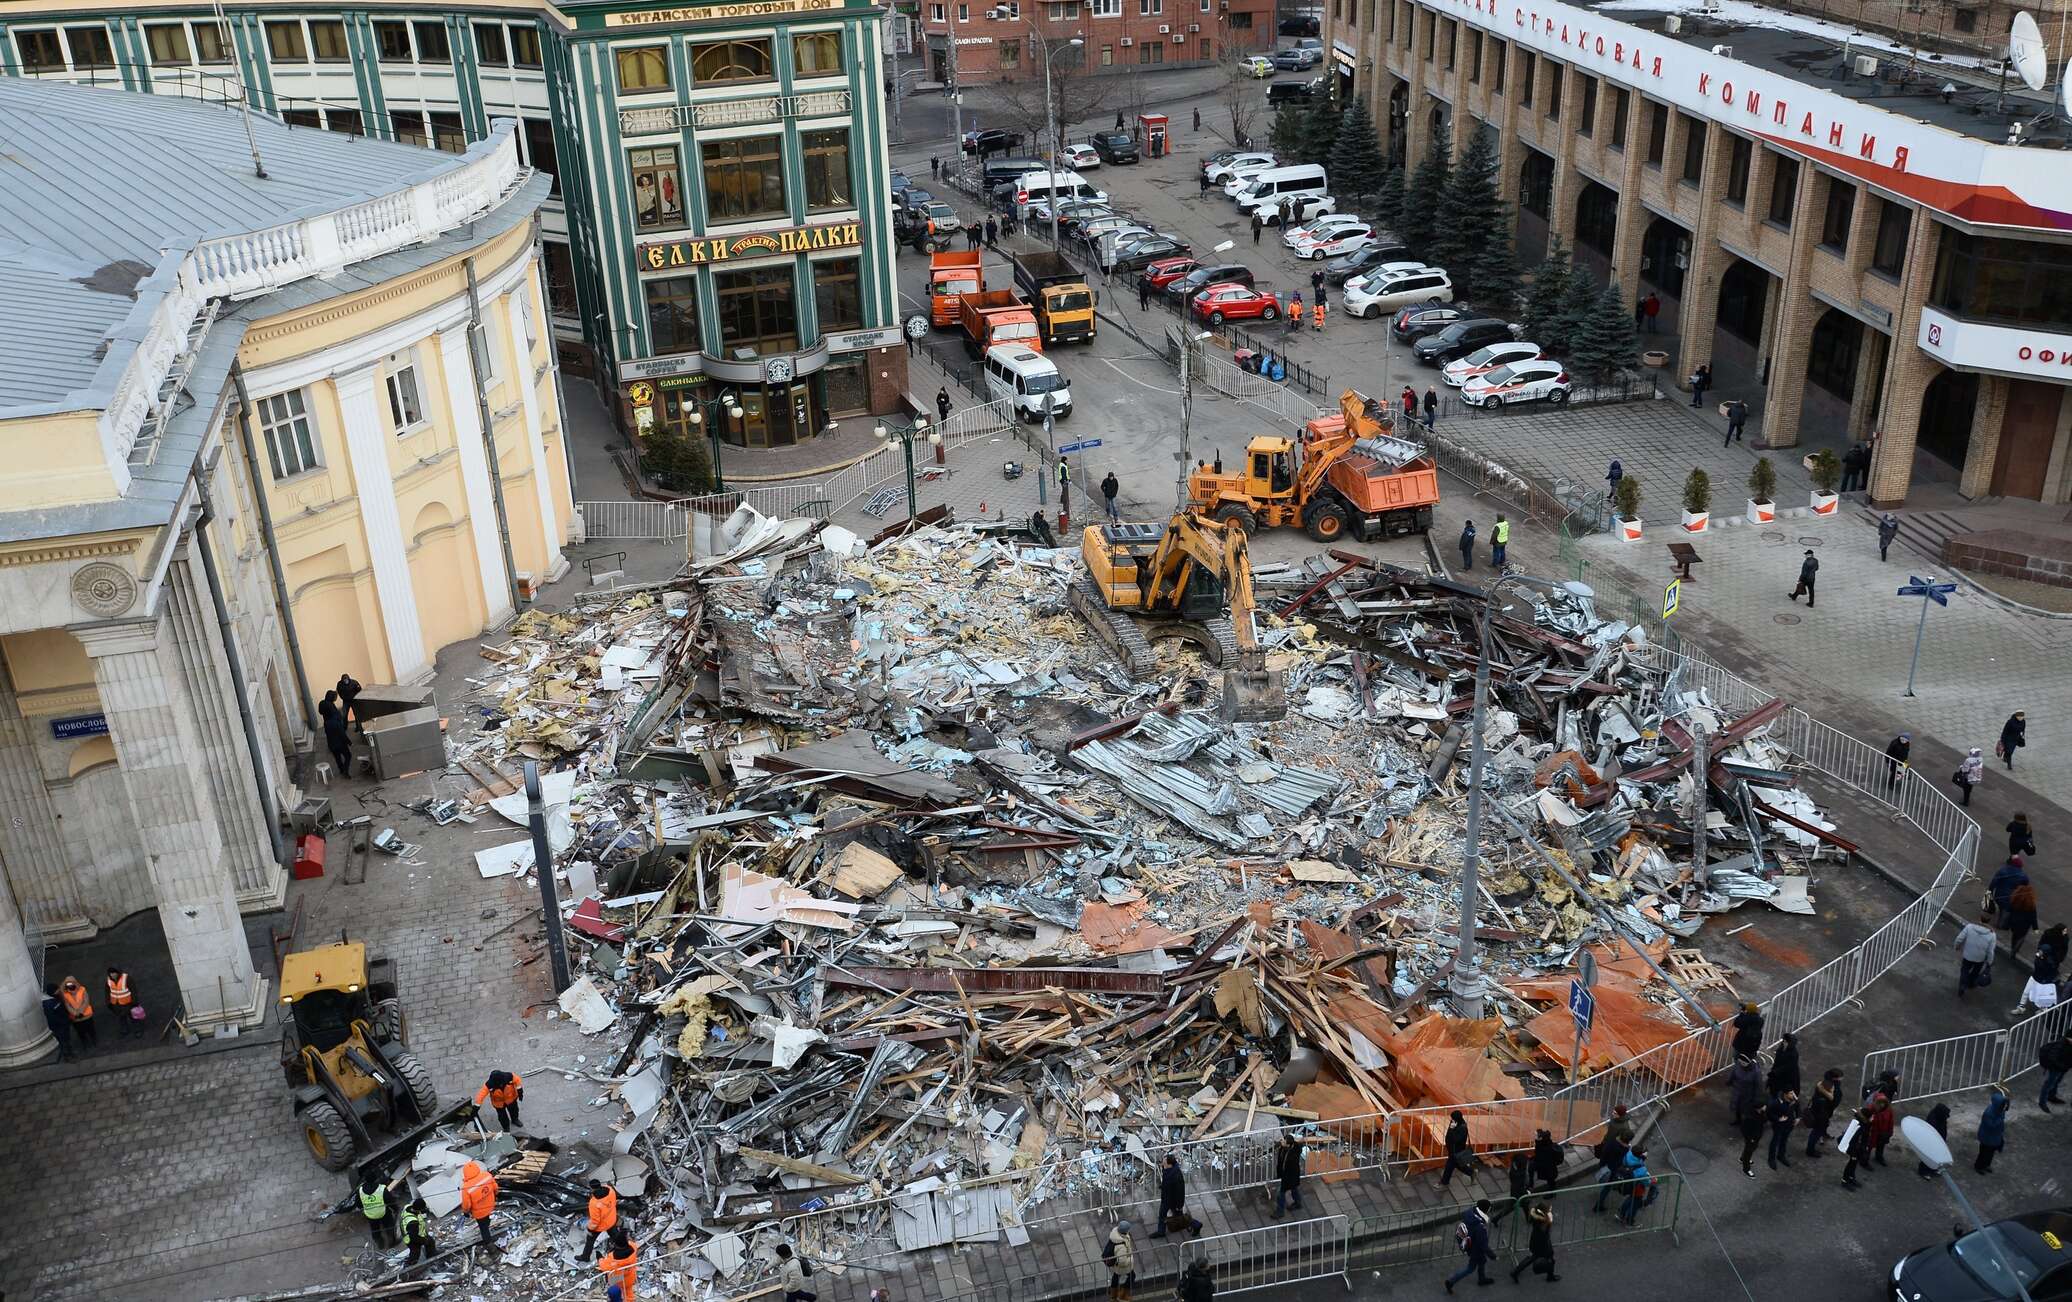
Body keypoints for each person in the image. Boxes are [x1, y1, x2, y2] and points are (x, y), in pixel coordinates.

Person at [1443, 1199, 1494, 1292]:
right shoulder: (1480, 1227)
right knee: (1470, 1268)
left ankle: (1482, 1278)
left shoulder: (1469, 1213)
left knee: (1482, 1261)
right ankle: (1451, 1281)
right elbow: (1483, 1244)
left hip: (1470, 1244)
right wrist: (1492, 1255)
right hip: (1475, 1249)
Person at [1510, 1199, 1559, 1283]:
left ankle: (1515, 1272)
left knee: (1533, 1257)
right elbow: (1545, 1232)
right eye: (1549, 1209)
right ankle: (1550, 1276)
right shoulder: (1544, 1221)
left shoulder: (1535, 1216)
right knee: (1550, 1259)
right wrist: (1549, 1221)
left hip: (1535, 1240)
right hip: (1543, 1244)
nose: (1550, 1210)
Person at [2018, 938, 2063, 1019]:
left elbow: (2050, 973)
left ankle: (2042, 1009)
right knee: (2026, 992)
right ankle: (2021, 1007)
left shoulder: (2050, 963)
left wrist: (2045, 981)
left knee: (2040, 997)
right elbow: (2037, 966)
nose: (2039, 951)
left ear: (2045, 952)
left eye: (2041, 950)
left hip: (2042, 981)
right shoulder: (2039, 957)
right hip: (2034, 977)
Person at [1151, 1153, 1192, 1238]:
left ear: (1169, 1164)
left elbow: (1180, 1192)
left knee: (1177, 1215)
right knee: (1163, 1215)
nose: (1162, 1163)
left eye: (1164, 1162)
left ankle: (1194, 1224)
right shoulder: (1168, 1169)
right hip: (1166, 1197)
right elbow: (1167, 1183)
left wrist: (1179, 1205)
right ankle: (1161, 1231)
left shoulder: (1176, 1176)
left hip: (1173, 1200)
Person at [1804, 1068, 1843, 1156]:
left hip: (1819, 1111)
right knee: (1816, 1132)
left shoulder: (1822, 1084)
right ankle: (1810, 1150)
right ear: (1835, 1078)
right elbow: (1834, 1102)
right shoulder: (1834, 1089)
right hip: (1822, 1115)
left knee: (1819, 1129)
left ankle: (1823, 1134)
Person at [460, 1159, 498, 1246]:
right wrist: (495, 1195)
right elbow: (495, 1187)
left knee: (483, 1229)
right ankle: (487, 1225)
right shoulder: (487, 1175)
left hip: (479, 1212)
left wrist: (466, 1212)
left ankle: (489, 1245)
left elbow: (466, 1205)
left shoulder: (466, 1187)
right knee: (486, 1220)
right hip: (490, 1205)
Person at [1616, 1151, 1658, 1225]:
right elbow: (1647, 1182)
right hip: (1637, 1188)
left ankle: (1621, 1214)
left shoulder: (1628, 1155)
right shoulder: (1641, 1170)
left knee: (1630, 1199)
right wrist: (1653, 1181)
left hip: (1628, 1184)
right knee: (1635, 1205)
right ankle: (1629, 1222)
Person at [1975, 1085, 2010, 1173]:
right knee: (1983, 1153)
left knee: (1990, 1154)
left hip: (1994, 1137)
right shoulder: (1989, 1113)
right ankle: (1979, 1166)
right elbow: (1991, 1126)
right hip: (1987, 1138)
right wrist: (2000, 1118)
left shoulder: (1998, 1111)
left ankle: (1986, 1165)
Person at [582, 1179, 619, 1260]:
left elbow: (595, 1222)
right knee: (616, 1236)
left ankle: (585, 1256)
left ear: (591, 1188)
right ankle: (623, 1248)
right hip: (612, 1220)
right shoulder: (610, 1190)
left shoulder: (594, 1203)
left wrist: (589, 1228)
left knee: (590, 1240)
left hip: (601, 1226)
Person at [1765, 1088, 1800, 1171]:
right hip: (1779, 1126)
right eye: (1791, 1093)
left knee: (1784, 1141)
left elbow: (1798, 1107)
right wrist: (1777, 1119)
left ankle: (1781, 1156)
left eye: (1793, 1093)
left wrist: (1798, 1117)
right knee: (1775, 1141)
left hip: (1789, 1125)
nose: (1793, 1095)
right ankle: (1771, 1159)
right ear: (1785, 1094)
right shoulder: (1776, 1102)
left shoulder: (1793, 1100)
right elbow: (1769, 1112)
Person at [598, 1229, 639, 1299]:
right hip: (630, 1275)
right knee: (628, 1292)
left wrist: (599, 1258)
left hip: (617, 1280)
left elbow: (604, 1267)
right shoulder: (633, 1248)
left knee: (616, 1293)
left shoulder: (612, 1258)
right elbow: (630, 1242)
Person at [322, 690, 353, 780]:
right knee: (348, 756)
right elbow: (342, 734)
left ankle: (341, 769)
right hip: (340, 743)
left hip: (332, 744)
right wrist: (349, 742)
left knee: (337, 757)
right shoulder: (337, 722)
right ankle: (346, 772)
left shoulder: (326, 723)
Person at [58, 975, 95, 1050]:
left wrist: (81, 1012)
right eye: (68, 985)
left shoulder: (82, 990)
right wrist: (75, 1013)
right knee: (81, 1032)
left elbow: (86, 1001)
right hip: (76, 1019)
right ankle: (85, 1043)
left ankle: (94, 1040)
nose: (70, 987)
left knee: (91, 1030)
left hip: (86, 1016)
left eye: (71, 984)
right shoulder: (65, 994)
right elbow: (67, 1005)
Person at [1727, 1052, 1762, 1130]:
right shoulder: (1738, 1065)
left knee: (1746, 1109)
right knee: (1737, 1106)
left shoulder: (1756, 1072)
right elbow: (1733, 1073)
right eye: (1741, 1062)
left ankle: (1746, 1124)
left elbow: (1758, 1086)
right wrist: (1729, 1081)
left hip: (1748, 1093)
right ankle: (1738, 1120)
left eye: (1743, 1063)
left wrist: (1757, 1099)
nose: (1742, 1064)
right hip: (1737, 1090)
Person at [1839, 1108, 1872, 1188]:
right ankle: (1845, 1180)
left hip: (1859, 1148)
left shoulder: (1865, 1123)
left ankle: (1851, 1177)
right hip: (1854, 1149)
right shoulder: (1859, 1125)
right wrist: (1854, 1152)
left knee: (1854, 1164)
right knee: (1851, 1164)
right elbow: (1853, 1139)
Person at [1272, 1133, 1306, 1214]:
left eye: (1284, 1141)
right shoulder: (1287, 1148)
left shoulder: (1292, 1155)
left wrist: (1282, 1177)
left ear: (1288, 1145)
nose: (1282, 1141)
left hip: (1288, 1176)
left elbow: (1286, 1165)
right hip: (1288, 1175)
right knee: (1294, 1189)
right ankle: (1298, 1203)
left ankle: (1280, 1212)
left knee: (1281, 1193)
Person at [1439, 1111, 1474, 1186]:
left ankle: (1444, 1182)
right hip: (1452, 1149)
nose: (1451, 1120)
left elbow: (1455, 1139)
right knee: (1456, 1164)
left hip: (1456, 1150)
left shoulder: (1462, 1128)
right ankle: (1471, 1172)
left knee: (1450, 1165)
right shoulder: (1454, 1122)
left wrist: (1451, 1129)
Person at [1104, 1220, 1136, 1301]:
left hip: (1116, 1265)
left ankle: (1113, 1295)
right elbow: (1122, 1262)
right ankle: (1123, 1295)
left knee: (1116, 1276)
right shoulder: (1121, 1245)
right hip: (1122, 1266)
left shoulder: (1116, 1235)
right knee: (1132, 1276)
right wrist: (1130, 1259)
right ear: (1126, 1230)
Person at [1737, 1088, 1766, 1177]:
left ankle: (1743, 1158)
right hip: (1752, 1137)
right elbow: (1745, 1129)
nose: (1765, 1106)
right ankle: (1746, 1168)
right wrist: (1751, 1139)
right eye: (1764, 1105)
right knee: (1749, 1151)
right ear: (1759, 1108)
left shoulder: (1759, 1113)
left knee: (1751, 1149)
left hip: (1756, 1136)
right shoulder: (1751, 1117)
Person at [2039, 1032, 2072, 1111]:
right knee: (2049, 1084)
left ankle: (2051, 1096)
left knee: (2056, 1082)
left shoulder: (2068, 1044)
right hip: (2057, 1068)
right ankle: (2042, 1102)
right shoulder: (2061, 1045)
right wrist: (2061, 1066)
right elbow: (2052, 1057)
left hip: (2063, 1067)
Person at [1991, 855, 2030, 921]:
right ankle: (2003, 921)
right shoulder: (2023, 875)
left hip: (1999, 896)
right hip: (2012, 898)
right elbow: (2026, 887)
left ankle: (2003, 914)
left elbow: (1993, 883)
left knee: (2002, 907)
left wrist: (1990, 893)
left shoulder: (2002, 871)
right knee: (2006, 910)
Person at [359, 1175, 395, 1247]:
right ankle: (391, 1240)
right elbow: (390, 1200)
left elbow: (359, 1204)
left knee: (375, 1229)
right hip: (383, 1213)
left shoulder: (360, 1190)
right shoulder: (381, 1188)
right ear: (375, 1179)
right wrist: (395, 1208)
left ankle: (379, 1242)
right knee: (389, 1225)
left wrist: (366, 1208)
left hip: (370, 1215)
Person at [2008, 881, 2041, 957]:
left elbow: (2009, 909)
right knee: (2021, 937)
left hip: (2014, 921)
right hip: (2025, 924)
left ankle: (2013, 947)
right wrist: (2035, 928)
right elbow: (2033, 917)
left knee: (2014, 935)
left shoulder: (2015, 899)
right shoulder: (2031, 904)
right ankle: (2015, 950)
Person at [41, 984, 72, 1061]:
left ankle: (69, 1052)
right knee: (63, 1042)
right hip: (59, 1027)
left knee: (66, 1039)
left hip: (64, 1023)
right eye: (57, 990)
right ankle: (67, 1056)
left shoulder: (55, 998)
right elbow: (52, 1018)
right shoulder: (48, 1004)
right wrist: (64, 1021)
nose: (59, 990)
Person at [399, 1197, 434, 1265]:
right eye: (423, 1208)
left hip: (413, 1233)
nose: (425, 1209)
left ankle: (431, 1257)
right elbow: (414, 1237)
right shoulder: (413, 1222)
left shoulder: (408, 1207)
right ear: (419, 1209)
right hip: (410, 1239)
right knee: (415, 1253)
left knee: (430, 1241)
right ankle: (409, 1267)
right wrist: (424, 1240)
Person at [105, 965, 137, 1038]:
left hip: (128, 1003)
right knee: (121, 1019)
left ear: (118, 972)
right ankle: (124, 1030)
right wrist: (108, 1003)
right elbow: (107, 992)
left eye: (114, 973)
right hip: (116, 1005)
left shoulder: (126, 978)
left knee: (133, 1018)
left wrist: (135, 1002)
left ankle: (137, 1030)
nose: (112, 975)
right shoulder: (108, 981)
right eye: (111, 973)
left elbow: (133, 990)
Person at [1767, 1031, 1802, 1097]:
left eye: (1786, 1042)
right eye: (1784, 1041)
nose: (1784, 1043)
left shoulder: (1794, 1054)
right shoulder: (1781, 1048)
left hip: (1787, 1076)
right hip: (1778, 1072)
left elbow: (1789, 1067)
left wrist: (1776, 1072)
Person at [1866, 1093, 1896, 1167]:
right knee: (1869, 1146)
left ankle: (1879, 1157)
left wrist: (1890, 1132)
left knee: (1881, 1146)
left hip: (1883, 1133)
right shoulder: (1871, 1109)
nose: (1882, 1104)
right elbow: (1866, 1120)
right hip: (1873, 1132)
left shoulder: (1889, 1110)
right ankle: (1865, 1159)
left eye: (1883, 1102)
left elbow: (1891, 1121)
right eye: (1880, 1102)